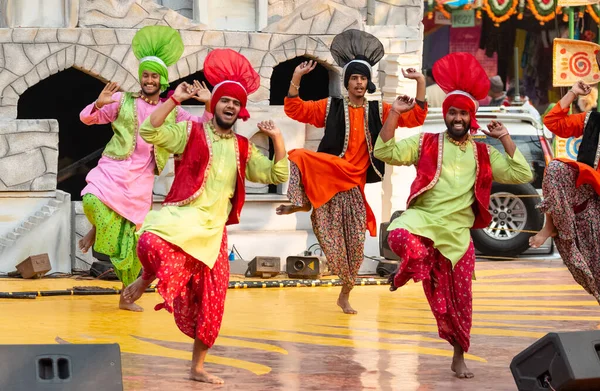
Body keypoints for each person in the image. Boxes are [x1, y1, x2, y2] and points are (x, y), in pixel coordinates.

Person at [122, 49, 289, 384]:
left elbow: (275, 174)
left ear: (240, 111)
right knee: (149, 242)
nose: (229, 106)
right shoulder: (190, 132)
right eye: (224, 100)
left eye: (235, 103)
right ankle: (145, 278)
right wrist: (174, 100)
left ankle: (197, 367)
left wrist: (278, 139)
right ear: (214, 105)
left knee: (213, 303)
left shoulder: (244, 148)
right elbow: (151, 132)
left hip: (214, 232)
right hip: (182, 217)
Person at [374, 53, 533, 378]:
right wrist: (394, 114)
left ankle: (458, 356)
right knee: (397, 235)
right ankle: (410, 267)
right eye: (452, 112)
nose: (457, 117)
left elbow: (521, 172)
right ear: (446, 115)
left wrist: (503, 137)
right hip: (423, 222)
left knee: (461, 303)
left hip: (458, 236)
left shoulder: (483, 152)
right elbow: (384, 151)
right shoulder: (426, 143)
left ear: (470, 116)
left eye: (463, 112)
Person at [275, 29, 427, 314]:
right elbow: (295, 109)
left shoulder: (380, 110)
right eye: (354, 78)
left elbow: (417, 116)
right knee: (297, 156)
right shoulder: (331, 106)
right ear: (346, 83)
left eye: (363, 78)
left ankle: (345, 294)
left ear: (368, 83)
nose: (359, 82)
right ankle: (303, 201)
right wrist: (296, 78)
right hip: (331, 173)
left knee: (356, 246)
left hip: (354, 184)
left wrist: (420, 82)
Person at [78, 25, 211, 311]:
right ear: (140, 78)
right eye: (145, 75)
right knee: (91, 199)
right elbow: (87, 119)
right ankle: (97, 230)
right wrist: (96, 105)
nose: (149, 80)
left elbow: (202, 128)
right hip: (112, 170)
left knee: (131, 244)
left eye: (154, 76)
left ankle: (125, 297)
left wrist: (209, 104)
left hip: (141, 182)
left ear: (162, 80)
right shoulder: (123, 101)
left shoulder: (172, 111)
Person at [530, 80, 600, 304]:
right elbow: (552, 121)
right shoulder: (593, 122)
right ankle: (550, 226)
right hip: (591, 203)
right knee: (557, 169)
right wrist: (573, 93)